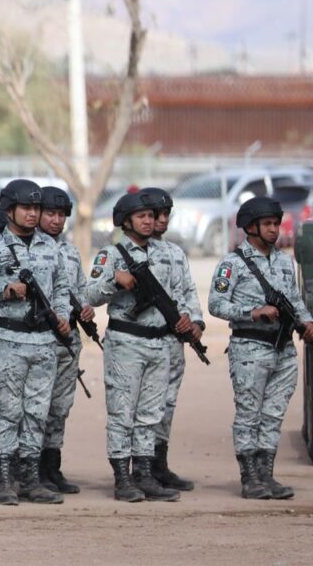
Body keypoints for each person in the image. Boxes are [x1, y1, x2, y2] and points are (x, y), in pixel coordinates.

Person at [0, 179, 70, 506]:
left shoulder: (50, 247)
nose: (33, 214)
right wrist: (2, 291)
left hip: (43, 341)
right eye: (27, 208)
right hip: (7, 338)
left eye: (37, 208)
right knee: (9, 411)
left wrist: (61, 315)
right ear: (9, 210)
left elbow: (61, 288)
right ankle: (5, 479)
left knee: (37, 411)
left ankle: (31, 478)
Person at [82, 191, 192, 503]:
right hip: (126, 342)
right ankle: (122, 478)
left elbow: (178, 293)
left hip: (159, 342)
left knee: (150, 413)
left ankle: (145, 474)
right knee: (122, 412)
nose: (149, 221)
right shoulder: (111, 255)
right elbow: (88, 295)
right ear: (126, 220)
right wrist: (115, 282)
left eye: (151, 216)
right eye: (142, 216)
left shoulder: (164, 253)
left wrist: (188, 320)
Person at [208, 196, 313, 500]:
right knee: (249, 414)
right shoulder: (232, 264)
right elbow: (216, 304)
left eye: (276, 224)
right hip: (250, 348)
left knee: (273, 415)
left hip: (283, 349)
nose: (273, 230)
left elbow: (295, 300)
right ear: (250, 227)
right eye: (267, 224)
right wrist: (254, 311)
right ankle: (249, 477)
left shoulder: (284, 260)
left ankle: (266, 475)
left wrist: (306, 322)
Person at [142, 187, 202, 492]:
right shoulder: (131, 251)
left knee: (166, 404)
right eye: (155, 215)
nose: (161, 220)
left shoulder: (175, 252)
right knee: (143, 407)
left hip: (173, 341)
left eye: (166, 215)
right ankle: (138, 468)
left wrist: (196, 321)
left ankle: (159, 464)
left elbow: (188, 291)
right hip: (143, 340)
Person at [35, 186, 87, 495]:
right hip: (39, 337)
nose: (56, 220)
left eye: (61, 215)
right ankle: (29, 467)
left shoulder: (69, 251)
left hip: (68, 339)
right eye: (50, 214)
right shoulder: (28, 249)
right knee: (35, 407)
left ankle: (52, 466)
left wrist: (86, 307)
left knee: (60, 407)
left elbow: (80, 289)